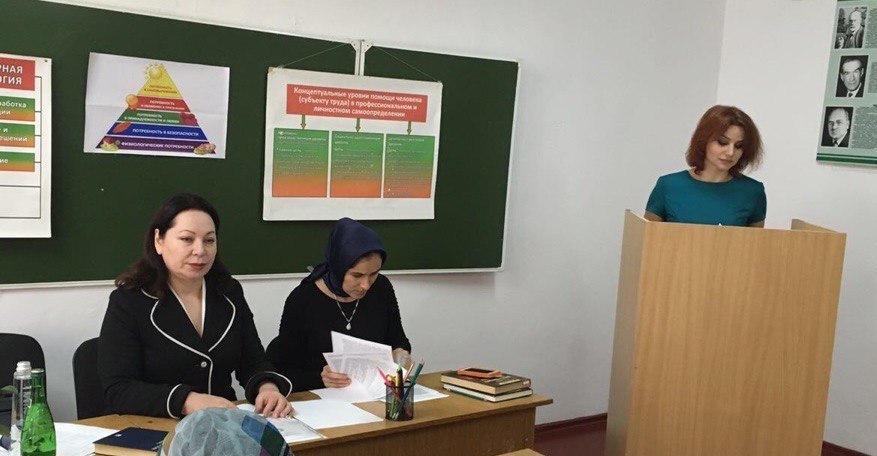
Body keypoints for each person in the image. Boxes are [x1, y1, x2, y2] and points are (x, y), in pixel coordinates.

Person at [98, 193, 293, 418]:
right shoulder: (129, 301)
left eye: (209, 240)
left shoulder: (228, 291)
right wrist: (186, 401)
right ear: (159, 241)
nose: (200, 251)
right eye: (187, 239)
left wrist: (268, 388)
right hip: (156, 426)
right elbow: (118, 390)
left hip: (222, 426)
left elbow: (253, 360)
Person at [267, 217, 411, 392]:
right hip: (319, 398)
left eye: (374, 273)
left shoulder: (382, 288)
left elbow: (398, 340)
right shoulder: (303, 299)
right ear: (338, 267)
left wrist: (401, 355)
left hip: (372, 395)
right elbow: (282, 369)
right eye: (357, 276)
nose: (366, 285)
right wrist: (321, 378)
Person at [645, 105, 766, 227]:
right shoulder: (668, 186)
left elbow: (756, 239)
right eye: (722, 142)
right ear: (704, 140)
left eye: (739, 146)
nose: (730, 152)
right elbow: (647, 236)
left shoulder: (753, 192)